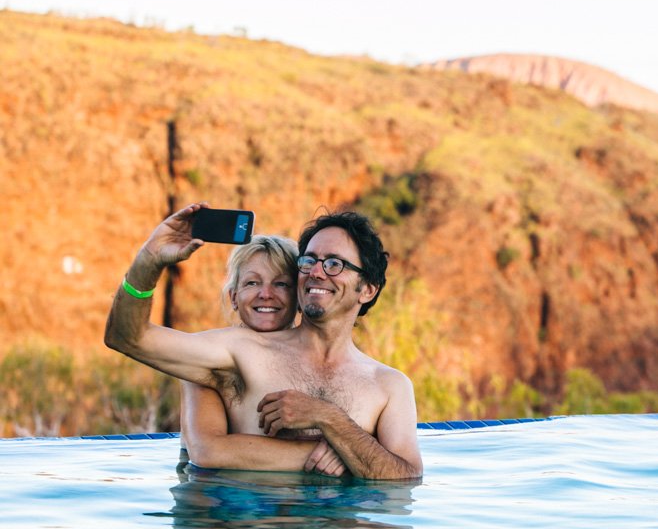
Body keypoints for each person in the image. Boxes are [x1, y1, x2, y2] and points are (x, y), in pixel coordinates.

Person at [105, 203, 423, 480]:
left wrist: (329, 419)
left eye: (334, 264)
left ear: (368, 289)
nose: (316, 272)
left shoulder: (390, 386)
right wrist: (149, 262)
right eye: (308, 261)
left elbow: (405, 476)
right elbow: (127, 338)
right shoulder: (241, 350)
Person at [181, 234, 346, 477]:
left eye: (281, 284)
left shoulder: (319, 360)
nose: (266, 294)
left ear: (300, 297)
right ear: (234, 297)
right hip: (220, 502)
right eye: (252, 283)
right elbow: (207, 451)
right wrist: (338, 452)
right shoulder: (211, 356)